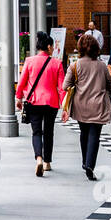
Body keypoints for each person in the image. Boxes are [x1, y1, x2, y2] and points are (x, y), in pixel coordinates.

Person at [60, 33, 111, 181]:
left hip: (81, 106)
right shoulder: (102, 66)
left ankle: (84, 161)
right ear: (95, 48)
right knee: (95, 135)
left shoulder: (74, 65)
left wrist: (76, 85)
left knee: (84, 133)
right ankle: (90, 165)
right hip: (98, 105)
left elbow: (65, 86)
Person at [15, 31, 66, 177]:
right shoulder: (57, 63)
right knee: (48, 132)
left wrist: (19, 98)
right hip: (51, 102)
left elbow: (22, 81)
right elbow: (62, 87)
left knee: (36, 132)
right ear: (49, 47)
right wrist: (65, 107)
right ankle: (47, 162)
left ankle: (38, 158)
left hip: (34, 101)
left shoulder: (30, 61)